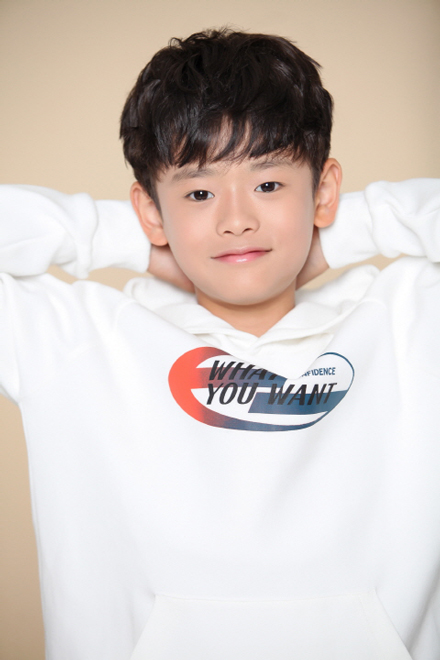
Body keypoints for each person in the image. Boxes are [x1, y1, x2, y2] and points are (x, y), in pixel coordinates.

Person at [1, 27, 439, 660]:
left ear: (323, 189)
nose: (237, 220)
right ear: (150, 210)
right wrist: (132, 241)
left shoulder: (408, 324)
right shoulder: (77, 340)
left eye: (269, 185)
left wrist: (336, 234)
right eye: (199, 193)